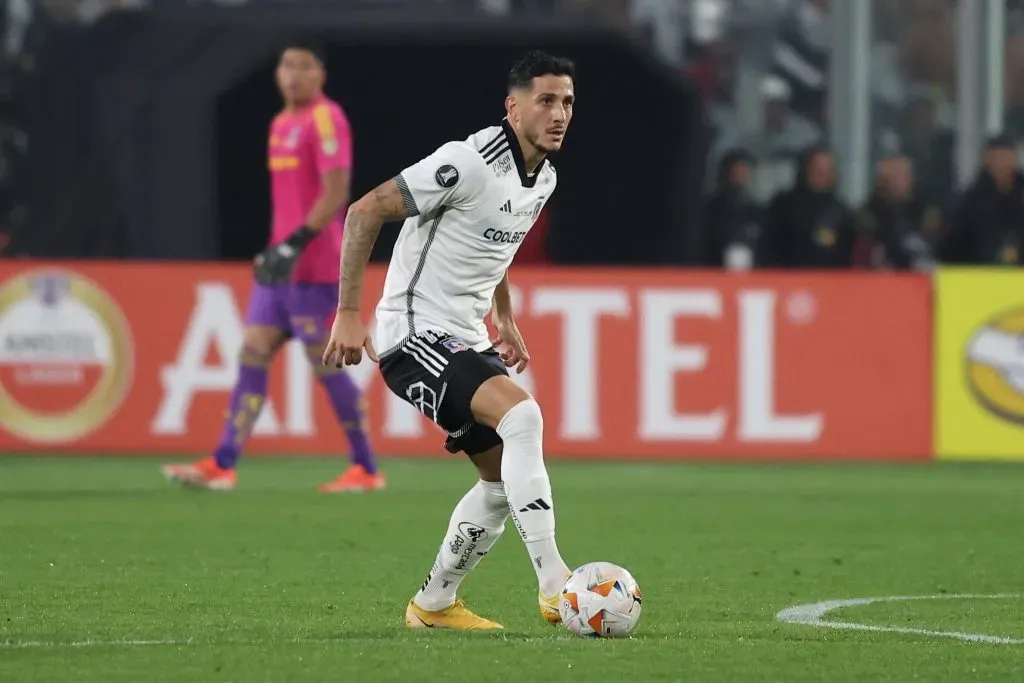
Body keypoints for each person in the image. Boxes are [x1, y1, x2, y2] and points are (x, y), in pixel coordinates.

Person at [321, 50, 575, 630]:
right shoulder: (468, 161)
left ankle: (433, 604)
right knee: (524, 419)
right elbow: (363, 212)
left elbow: (495, 243)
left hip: (463, 336)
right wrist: (348, 312)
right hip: (412, 335)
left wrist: (504, 317)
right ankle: (556, 583)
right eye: (546, 100)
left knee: (496, 482)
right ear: (513, 108)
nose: (559, 113)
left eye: (567, 102)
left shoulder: (545, 178)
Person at [163, 41, 383, 493]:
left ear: (320, 74)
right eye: (287, 65)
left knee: (326, 367)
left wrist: (296, 244)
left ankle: (366, 468)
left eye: (304, 66)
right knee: (252, 352)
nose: (294, 74)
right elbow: (287, 202)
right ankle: (223, 464)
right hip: (280, 267)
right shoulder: (281, 123)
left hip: (316, 267)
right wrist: (275, 249)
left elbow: (336, 190)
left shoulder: (327, 118)